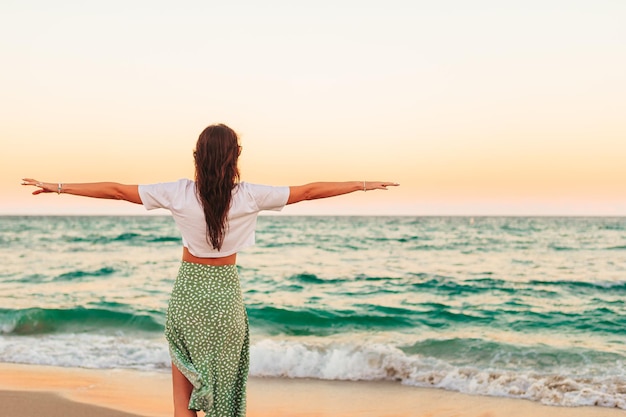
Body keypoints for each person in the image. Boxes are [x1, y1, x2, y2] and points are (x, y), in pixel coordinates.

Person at [22, 123, 399, 417]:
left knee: (182, 404)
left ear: (197, 156)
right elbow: (308, 191)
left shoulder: (178, 192)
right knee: (226, 396)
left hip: (188, 294)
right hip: (225, 297)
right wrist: (362, 184)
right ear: (234, 157)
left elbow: (119, 190)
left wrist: (58, 187)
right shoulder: (250, 195)